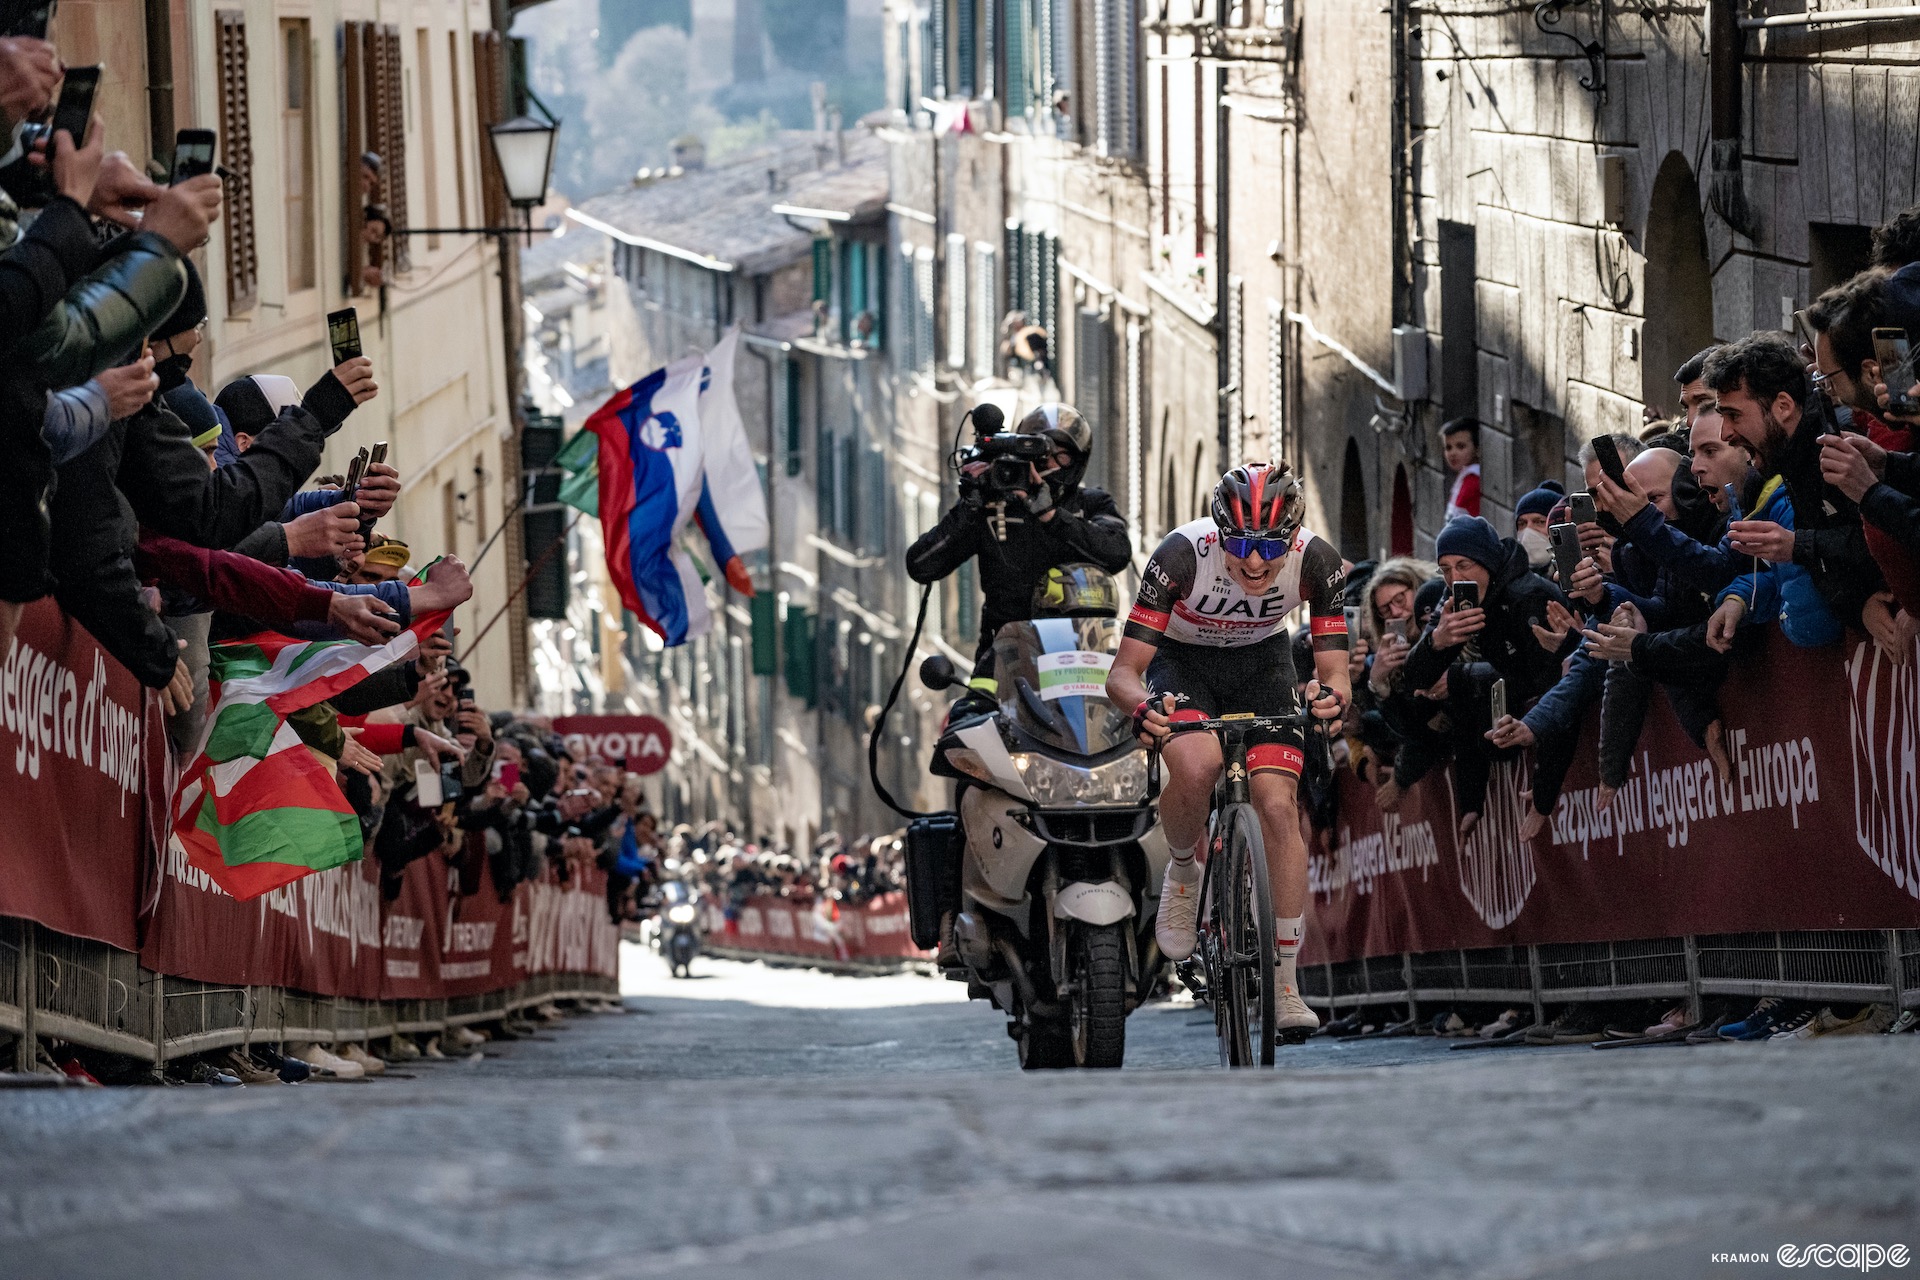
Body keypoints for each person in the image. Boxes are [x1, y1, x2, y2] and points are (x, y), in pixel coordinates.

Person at [1105, 462, 1349, 1041]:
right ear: (1219, 533)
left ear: (1293, 537)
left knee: (1277, 804)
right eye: (1240, 543)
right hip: (1182, 661)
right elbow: (1123, 675)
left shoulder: (1319, 562)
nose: (1257, 561)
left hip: (1263, 665)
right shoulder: (1181, 556)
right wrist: (1144, 710)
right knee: (1198, 763)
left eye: (1271, 545)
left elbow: (1335, 672)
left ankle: (1286, 983)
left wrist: (1326, 697)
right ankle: (1185, 874)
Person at [906, 403, 1130, 719]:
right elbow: (921, 565)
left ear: (1077, 460)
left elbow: (1117, 551)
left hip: (1087, 659)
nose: (1049, 464)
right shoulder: (994, 507)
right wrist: (970, 507)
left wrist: (1052, 516)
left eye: (1061, 455)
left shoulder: (1091, 504)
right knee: (965, 730)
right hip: (1003, 659)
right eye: (1040, 455)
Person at [1402, 515, 1577, 839]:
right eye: (1446, 569)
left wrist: (1543, 796)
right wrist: (1436, 643)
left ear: (1486, 560)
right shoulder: (1456, 601)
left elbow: (1554, 685)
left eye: (1464, 565)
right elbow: (1415, 681)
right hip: (1510, 736)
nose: (1455, 577)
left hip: (1564, 735)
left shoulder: (1526, 597)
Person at [1441, 418, 1482, 521]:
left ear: (1477, 449)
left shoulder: (1473, 482)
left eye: (1461, 446)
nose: (1452, 453)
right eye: (1448, 447)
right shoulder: (1465, 476)